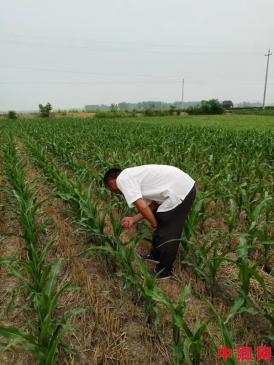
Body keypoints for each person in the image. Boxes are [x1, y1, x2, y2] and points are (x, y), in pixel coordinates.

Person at [104, 165, 196, 279]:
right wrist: (133, 219)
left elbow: (142, 207)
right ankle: (156, 255)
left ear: (112, 183)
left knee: (168, 231)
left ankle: (164, 271)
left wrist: (154, 224)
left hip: (181, 191)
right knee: (161, 220)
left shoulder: (123, 179)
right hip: (180, 186)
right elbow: (152, 206)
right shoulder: (132, 177)